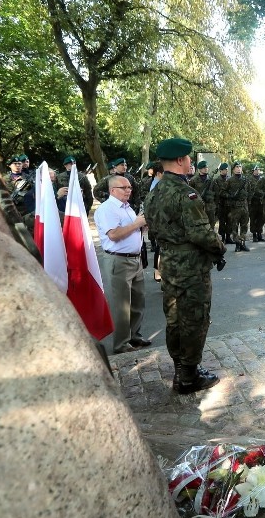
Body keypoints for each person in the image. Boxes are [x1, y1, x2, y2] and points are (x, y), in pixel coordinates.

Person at [144, 137, 225, 394]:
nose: (190, 162)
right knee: (195, 319)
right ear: (180, 160)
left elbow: (153, 230)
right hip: (191, 266)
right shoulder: (185, 193)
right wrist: (220, 247)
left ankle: (181, 369)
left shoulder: (155, 191)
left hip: (168, 262)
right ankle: (189, 376)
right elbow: (201, 233)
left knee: (175, 318)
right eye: (189, 158)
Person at [94, 175, 149, 355]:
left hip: (134, 259)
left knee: (137, 301)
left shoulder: (127, 208)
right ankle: (121, 344)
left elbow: (132, 229)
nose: (128, 190)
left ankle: (134, 336)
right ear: (112, 190)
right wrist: (137, 224)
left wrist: (142, 226)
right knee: (121, 306)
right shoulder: (107, 209)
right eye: (124, 187)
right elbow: (114, 235)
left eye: (130, 187)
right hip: (119, 260)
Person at [220, 163, 251, 252]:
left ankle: (243, 243)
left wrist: (247, 199)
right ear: (233, 169)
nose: (238, 169)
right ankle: (237, 244)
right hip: (235, 207)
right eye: (236, 167)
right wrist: (230, 196)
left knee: (244, 226)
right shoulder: (229, 180)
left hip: (244, 206)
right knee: (234, 226)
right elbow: (222, 192)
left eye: (240, 167)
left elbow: (250, 191)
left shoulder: (246, 180)